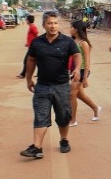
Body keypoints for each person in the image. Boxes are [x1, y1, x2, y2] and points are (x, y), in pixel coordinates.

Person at [20, 11, 82, 159]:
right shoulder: (37, 43)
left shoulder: (67, 41)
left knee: (63, 116)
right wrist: (28, 79)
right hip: (42, 85)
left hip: (61, 86)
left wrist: (77, 68)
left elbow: (77, 54)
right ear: (44, 25)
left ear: (58, 24)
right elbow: (30, 61)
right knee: (40, 115)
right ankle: (37, 147)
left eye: (55, 23)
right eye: (49, 23)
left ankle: (64, 140)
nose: (53, 26)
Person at [69, 20, 102, 127]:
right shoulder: (72, 41)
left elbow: (87, 61)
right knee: (80, 95)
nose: (70, 29)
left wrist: (85, 78)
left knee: (72, 94)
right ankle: (96, 108)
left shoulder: (84, 43)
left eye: (72, 27)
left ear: (77, 29)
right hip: (74, 71)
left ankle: (73, 120)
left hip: (82, 71)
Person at [17, 14, 39, 79]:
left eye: (26, 20)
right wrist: (28, 43)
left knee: (26, 60)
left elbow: (37, 34)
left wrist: (36, 44)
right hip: (31, 46)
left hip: (33, 47)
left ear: (29, 20)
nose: (26, 21)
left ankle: (23, 74)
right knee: (36, 60)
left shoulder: (32, 27)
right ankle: (38, 73)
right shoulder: (31, 26)